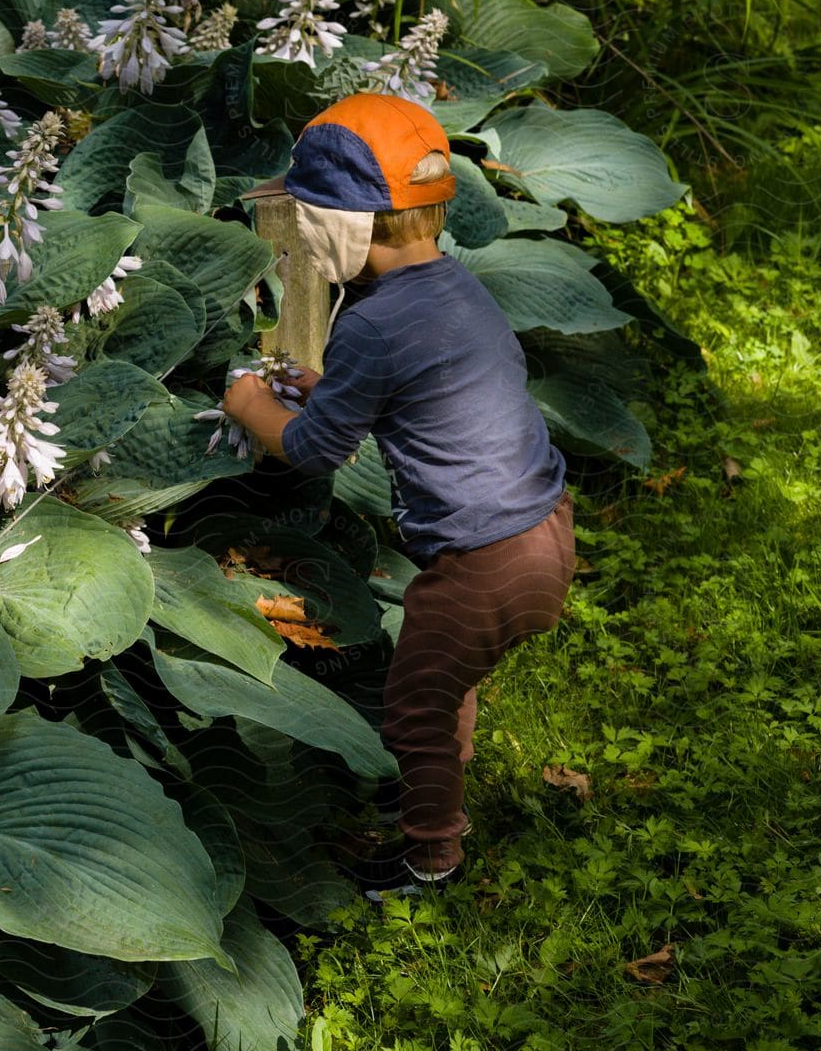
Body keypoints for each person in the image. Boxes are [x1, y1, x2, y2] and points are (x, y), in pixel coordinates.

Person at [221, 92, 577, 901]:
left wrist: (251, 403)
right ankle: (434, 783)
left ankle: (429, 858)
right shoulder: (455, 289)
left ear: (342, 227)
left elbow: (315, 450)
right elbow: (407, 388)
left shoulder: (370, 327)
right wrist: (324, 385)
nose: (299, 233)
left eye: (304, 215)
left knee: (413, 703)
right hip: (546, 533)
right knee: (447, 680)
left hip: (482, 561)